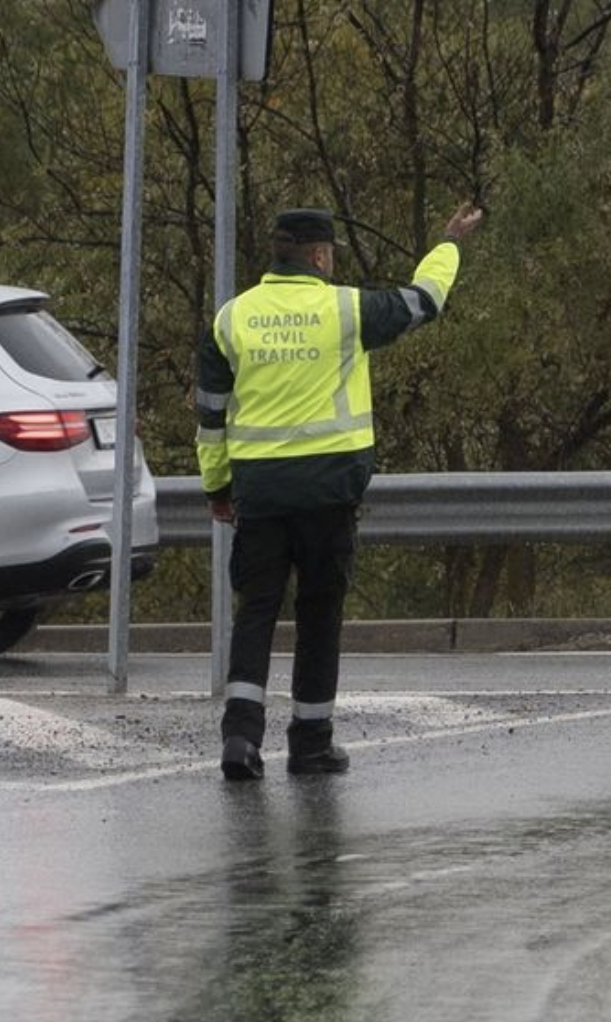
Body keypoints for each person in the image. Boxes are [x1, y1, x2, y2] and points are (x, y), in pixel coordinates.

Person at [195, 201, 483, 780]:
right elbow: (423, 300)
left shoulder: (232, 319)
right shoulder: (346, 309)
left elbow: (210, 415)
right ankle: (310, 742)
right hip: (328, 494)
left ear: (279, 255)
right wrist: (449, 241)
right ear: (320, 256)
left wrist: (217, 486)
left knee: (255, 613)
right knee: (319, 615)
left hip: (261, 494)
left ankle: (240, 739)